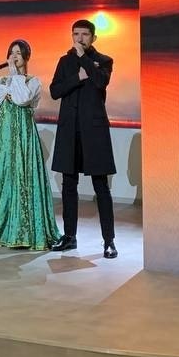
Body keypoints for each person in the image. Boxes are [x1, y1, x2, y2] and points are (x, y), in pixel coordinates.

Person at [0, 40, 60, 251]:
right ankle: (0, 229)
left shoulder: (33, 81)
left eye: (18, 53)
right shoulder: (1, 80)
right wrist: (9, 87)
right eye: (11, 53)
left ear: (26, 57)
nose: (14, 56)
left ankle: (24, 230)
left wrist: (13, 81)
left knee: (23, 174)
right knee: (3, 174)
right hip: (4, 135)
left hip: (23, 134)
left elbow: (22, 99)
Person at [48, 19, 117, 259]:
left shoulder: (104, 60)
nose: (79, 38)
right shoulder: (64, 61)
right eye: (76, 34)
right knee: (69, 184)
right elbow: (55, 91)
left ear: (93, 38)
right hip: (69, 130)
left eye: (85, 34)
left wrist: (84, 60)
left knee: (101, 186)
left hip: (94, 131)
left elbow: (100, 82)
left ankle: (109, 241)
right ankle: (69, 237)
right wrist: (77, 77)